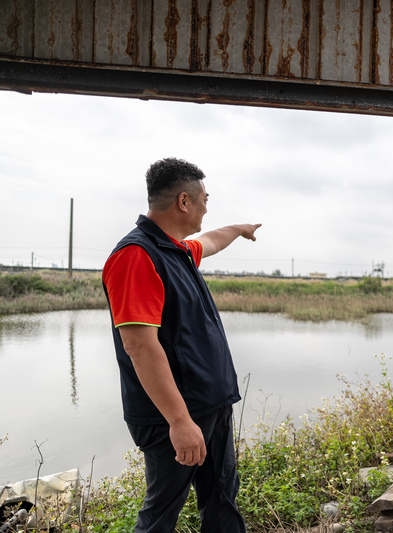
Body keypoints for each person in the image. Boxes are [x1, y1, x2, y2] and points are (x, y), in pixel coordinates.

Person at [102, 157, 261, 532]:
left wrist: (238, 229)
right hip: (174, 415)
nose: (208, 205)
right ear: (184, 202)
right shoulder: (136, 256)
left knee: (222, 498)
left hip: (210, 404)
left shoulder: (177, 251)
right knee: (161, 515)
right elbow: (139, 347)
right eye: (205, 198)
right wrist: (179, 421)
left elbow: (209, 241)